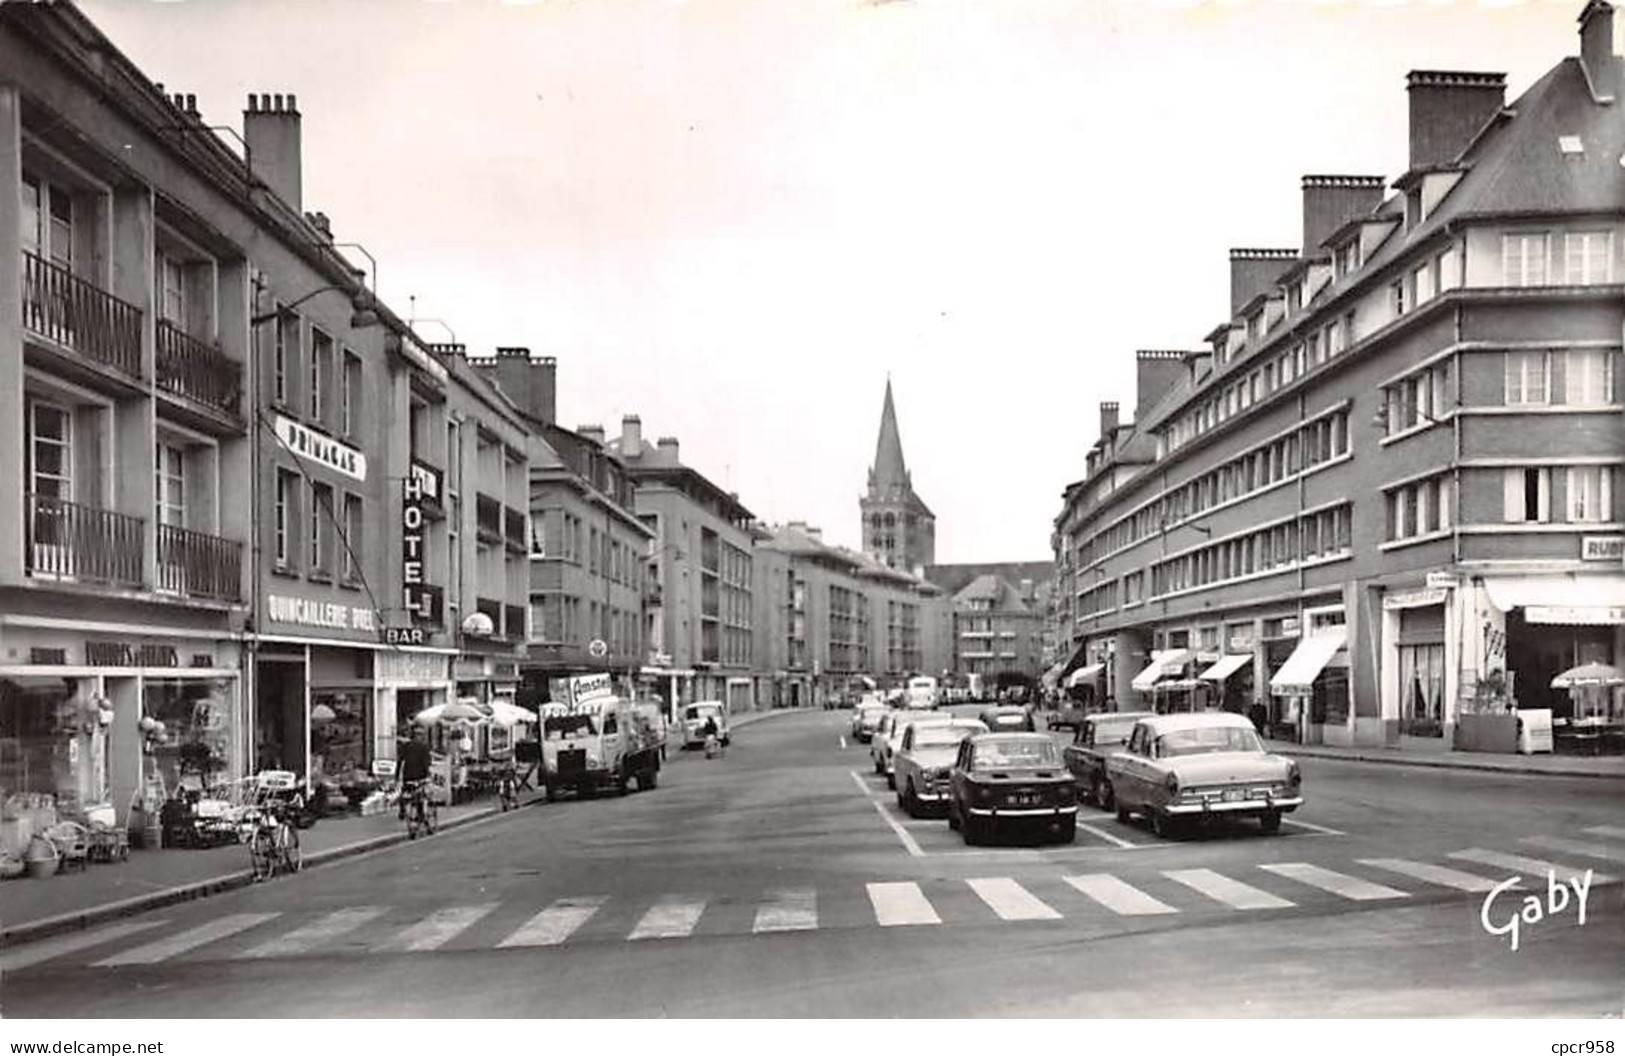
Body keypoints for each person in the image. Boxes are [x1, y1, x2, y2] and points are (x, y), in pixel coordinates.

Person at [398, 726, 432, 819]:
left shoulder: (406, 746)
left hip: (408, 775)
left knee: (405, 792)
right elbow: (427, 762)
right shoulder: (424, 747)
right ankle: (420, 814)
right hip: (420, 775)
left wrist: (397, 775)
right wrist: (428, 774)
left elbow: (400, 760)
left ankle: (402, 810)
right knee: (420, 794)